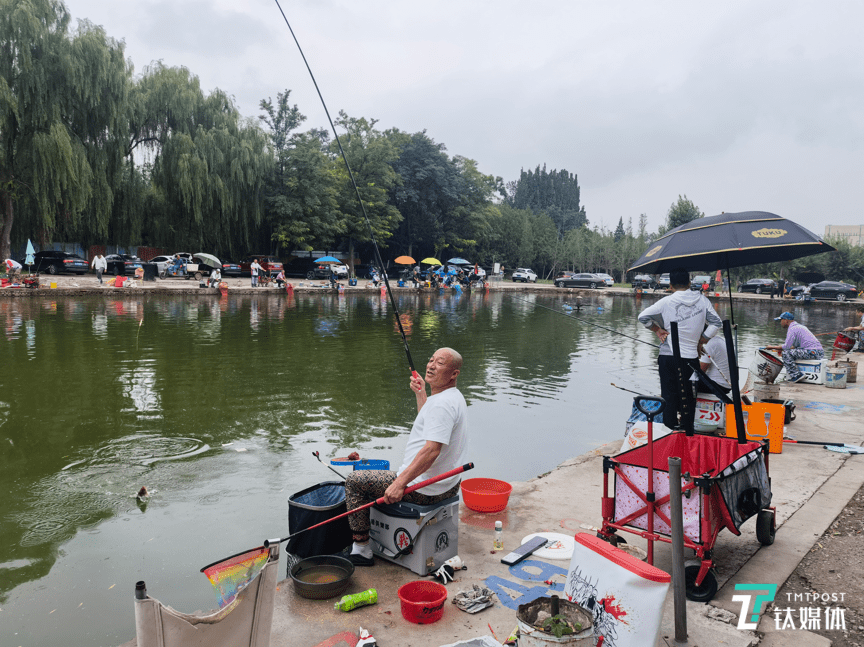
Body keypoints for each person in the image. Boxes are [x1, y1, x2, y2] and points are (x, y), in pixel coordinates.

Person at [343, 348, 468, 566]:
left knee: (354, 482)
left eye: (440, 363)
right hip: (447, 485)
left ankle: (361, 549)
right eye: (430, 360)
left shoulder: (441, 404)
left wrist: (400, 483)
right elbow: (430, 424)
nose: (430, 366)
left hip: (424, 489)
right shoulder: (451, 397)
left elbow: (432, 450)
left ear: (454, 373)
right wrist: (421, 396)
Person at [637, 269, 723, 430]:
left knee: (668, 396)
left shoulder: (666, 301)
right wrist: (701, 340)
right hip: (691, 358)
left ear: (670, 285)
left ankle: (669, 431)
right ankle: (687, 429)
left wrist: (657, 329)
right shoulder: (702, 300)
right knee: (689, 397)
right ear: (689, 283)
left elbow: (642, 317)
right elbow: (716, 323)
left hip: (668, 357)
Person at [765, 312, 824, 383]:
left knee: (786, 354)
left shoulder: (792, 329)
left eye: (781, 320)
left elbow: (787, 347)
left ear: (786, 321)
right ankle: (796, 373)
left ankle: (796, 375)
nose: (780, 323)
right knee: (789, 352)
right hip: (818, 352)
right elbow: (793, 346)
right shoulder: (799, 327)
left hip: (813, 352)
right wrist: (778, 348)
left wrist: (771, 347)